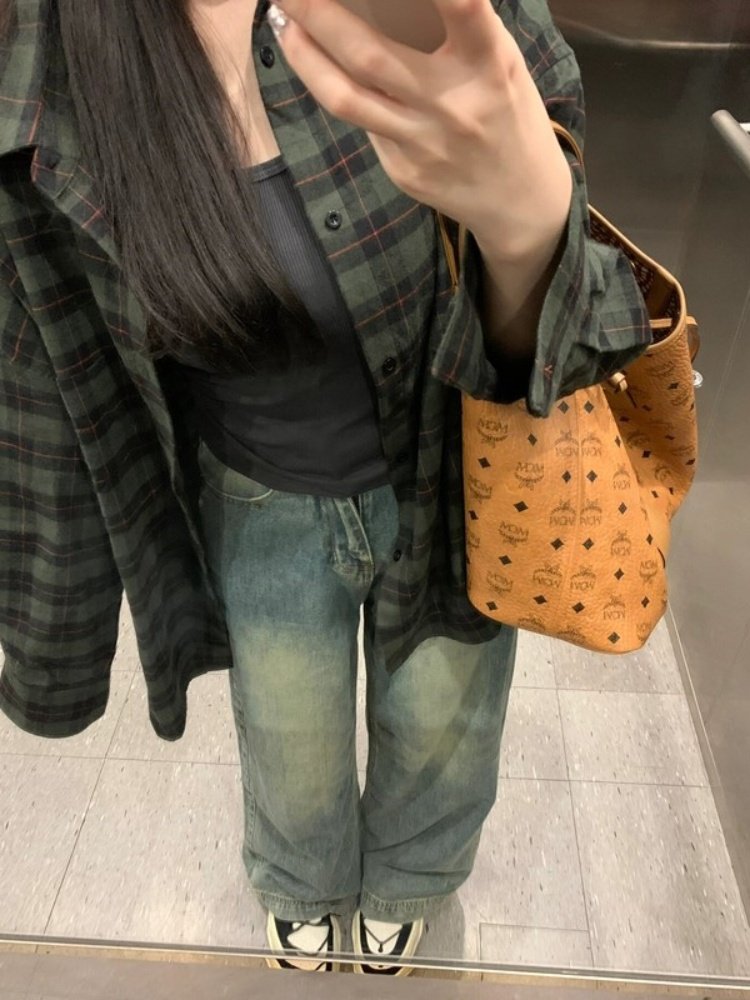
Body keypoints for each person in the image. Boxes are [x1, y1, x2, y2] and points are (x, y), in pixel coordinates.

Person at [0, 0, 651, 977]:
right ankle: (299, 883)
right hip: (256, 490)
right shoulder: (51, 49)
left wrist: (525, 225)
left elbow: (571, 313)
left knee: (443, 725)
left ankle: (411, 880)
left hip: (451, 467)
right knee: (288, 739)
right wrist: (54, 628)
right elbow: (48, 360)